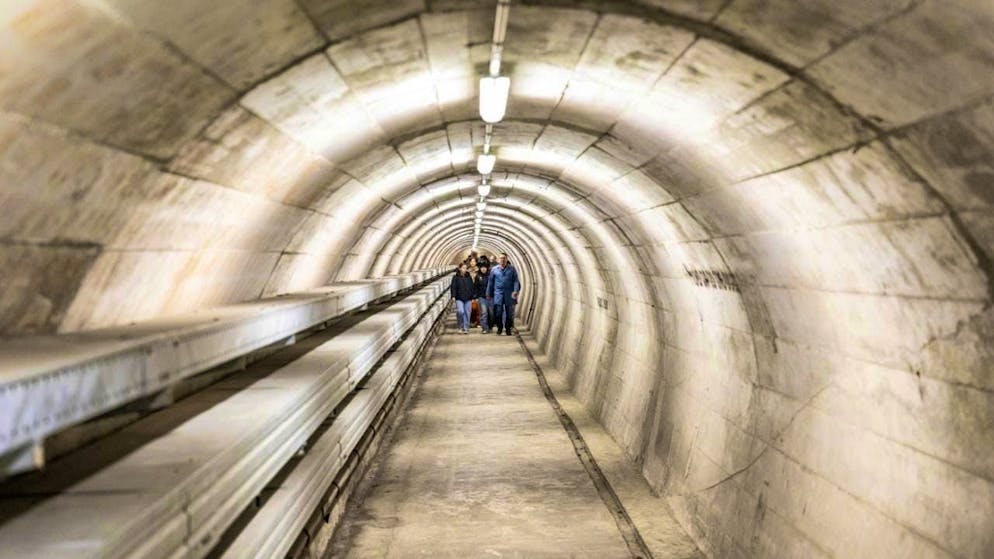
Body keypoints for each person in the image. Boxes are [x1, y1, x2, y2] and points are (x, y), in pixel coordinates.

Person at [486, 253, 520, 336]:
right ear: (498, 260)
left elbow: (516, 281)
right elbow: (490, 282)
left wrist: (515, 290)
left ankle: (508, 329)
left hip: (509, 293)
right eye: (501, 258)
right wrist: (488, 293)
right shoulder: (494, 269)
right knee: (498, 312)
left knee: (509, 313)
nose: (502, 260)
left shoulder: (512, 269)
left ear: (507, 259)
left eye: (504, 258)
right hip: (498, 293)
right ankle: (500, 328)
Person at [450, 264, 474, 334]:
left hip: (468, 297)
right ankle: (460, 326)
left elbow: (471, 286)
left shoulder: (468, 276)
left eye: (466, 268)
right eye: (463, 268)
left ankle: (466, 328)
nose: (465, 269)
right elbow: (453, 287)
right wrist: (453, 296)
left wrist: (472, 296)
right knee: (460, 311)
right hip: (459, 297)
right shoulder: (455, 277)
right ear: (460, 268)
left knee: (467, 312)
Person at [474, 263, 493, 334]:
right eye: (482, 268)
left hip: (491, 296)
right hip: (482, 296)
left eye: (484, 267)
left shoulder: (490, 276)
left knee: (491, 313)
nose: (483, 269)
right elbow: (475, 287)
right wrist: (475, 296)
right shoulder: (478, 276)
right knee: (484, 312)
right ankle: (484, 328)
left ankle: (490, 326)